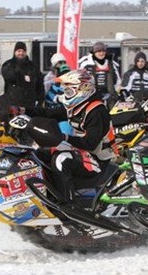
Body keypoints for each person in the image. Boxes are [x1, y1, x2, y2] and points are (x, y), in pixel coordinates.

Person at [14, 69, 118, 203]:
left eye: (69, 91)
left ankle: (67, 203)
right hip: (84, 152)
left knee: (61, 159)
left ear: (83, 89)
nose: (65, 94)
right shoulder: (77, 106)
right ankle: (46, 196)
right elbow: (50, 113)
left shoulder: (97, 111)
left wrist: (65, 138)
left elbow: (90, 143)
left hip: (98, 160)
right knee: (40, 153)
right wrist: (23, 110)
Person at [1, 41, 44, 108]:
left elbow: (39, 83)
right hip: (13, 102)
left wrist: (41, 99)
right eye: (19, 51)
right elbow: (9, 77)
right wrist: (22, 76)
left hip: (30, 103)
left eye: (23, 51)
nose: (21, 53)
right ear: (15, 52)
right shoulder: (9, 64)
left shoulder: (32, 66)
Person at [78, 41, 121, 108]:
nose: (101, 53)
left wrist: (116, 92)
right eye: (99, 51)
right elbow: (79, 80)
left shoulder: (111, 64)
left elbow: (118, 81)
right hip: (91, 96)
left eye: (103, 51)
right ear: (94, 52)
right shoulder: (86, 64)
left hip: (109, 96)